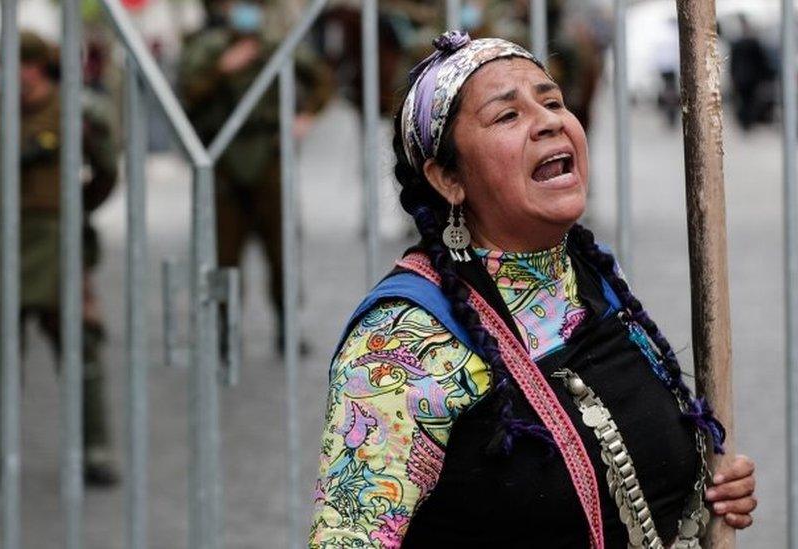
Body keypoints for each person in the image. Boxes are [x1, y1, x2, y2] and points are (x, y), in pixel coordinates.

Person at [309, 34, 757, 547]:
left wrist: (705, 490)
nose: (549, 121)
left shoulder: (596, 280)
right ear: (448, 178)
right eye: (507, 116)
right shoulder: (398, 346)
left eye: (552, 102)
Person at [0, 31, 119, 488]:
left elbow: (106, 170)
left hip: (52, 243)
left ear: (31, 66)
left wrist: (75, 209)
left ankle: (94, 451)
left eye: (6, 63)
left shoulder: (77, 111)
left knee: (79, 347)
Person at [178, 0, 331, 352]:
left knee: (282, 251)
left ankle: (287, 328)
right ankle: (224, 333)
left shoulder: (275, 45)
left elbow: (321, 79)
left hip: (269, 160)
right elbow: (187, 94)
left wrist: (306, 116)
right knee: (223, 256)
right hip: (223, 163)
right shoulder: (206, 47)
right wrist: (222, 68)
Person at [729, 14, 776, 131]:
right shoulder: (751, 43)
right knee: (747, 101)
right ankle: (747, 122)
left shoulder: (740, 43)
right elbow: (762, 61)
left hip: (743, 78)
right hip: (748, 78)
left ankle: (746, 123)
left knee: (746, 101)